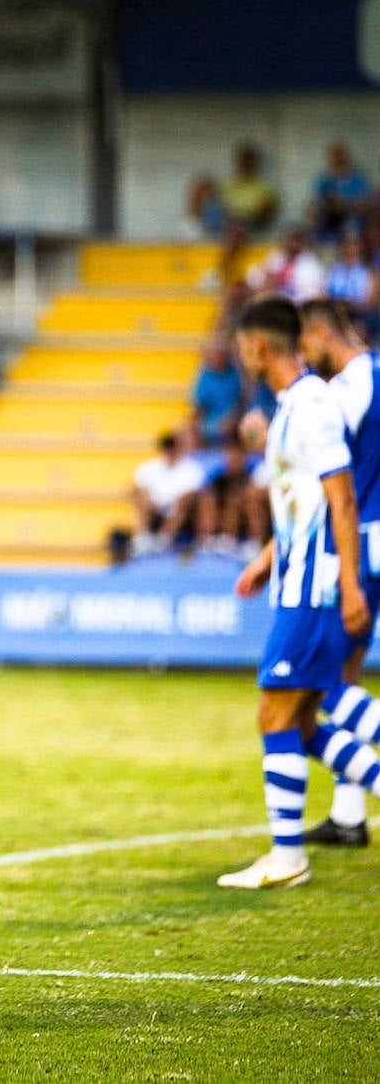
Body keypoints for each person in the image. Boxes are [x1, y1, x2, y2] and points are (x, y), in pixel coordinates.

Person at [220, 296, 376, 889]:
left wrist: (351, 582)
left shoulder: (312, 406)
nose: (240, 356)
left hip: (317, 585)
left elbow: (342, 498)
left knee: (276, 709)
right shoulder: (291, 406)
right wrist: (267, 557)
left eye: (242, 346)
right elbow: (302, 504)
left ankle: (287, 857)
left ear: (260, 346)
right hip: (297, 576)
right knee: (305, 721)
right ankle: (288, 854)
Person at [297, 298, 380, 847]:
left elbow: (327, 472)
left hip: (364, 545)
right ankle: (349, 813)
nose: (304, 356)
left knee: (327, 679)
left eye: (305, 344)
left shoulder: (348, 390)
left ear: (324, 333)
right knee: (342, 675)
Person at [130, 427, 206, 557]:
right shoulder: (149, 467)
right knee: (140, 499)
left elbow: (193, 493)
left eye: (172, 446)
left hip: (180, 511)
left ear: (178, 447)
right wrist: (149, 500)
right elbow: (137, 488)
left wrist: (174, 503)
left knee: (182, 506)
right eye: (167, 446)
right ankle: (142, 540)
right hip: (154, 508)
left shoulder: (190, 468)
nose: (169, 450)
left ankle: (163, 541)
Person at [221, 142, 278, 235]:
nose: (245, 164)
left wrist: (240, 215)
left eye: (249, 160)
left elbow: (262, 212)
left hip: (253, 227)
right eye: (242, 161)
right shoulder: (227, 185)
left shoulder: (264, 187)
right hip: (228, 225)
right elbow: (222, 209)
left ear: (255, 163)